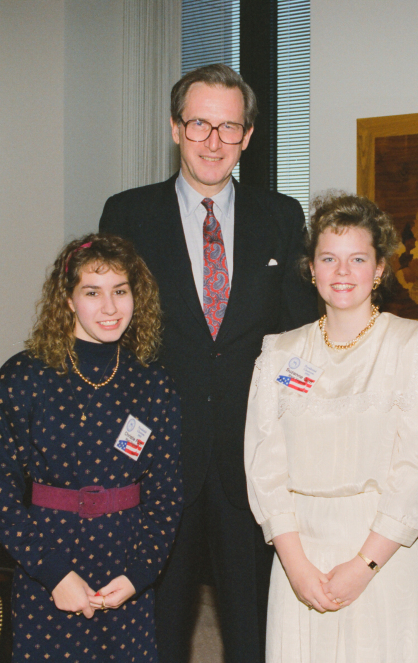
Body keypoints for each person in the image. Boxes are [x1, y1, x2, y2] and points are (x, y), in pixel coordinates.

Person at [98, 64, 318, 663]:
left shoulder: (281, 216)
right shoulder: (127, 215)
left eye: (229, 127)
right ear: (175, 127)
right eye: (200, 124)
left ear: (248, 136)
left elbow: (299, 336)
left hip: (253, 462)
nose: (214, 142)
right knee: (158, 628)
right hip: (156, 461)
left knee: (252, 629)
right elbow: (104, 336)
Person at [245, 192, 418, 662]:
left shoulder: (414, 344)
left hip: (384, 555)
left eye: (357, 259)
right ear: (310, 268)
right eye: (329, 258)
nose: (342, 272)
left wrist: (364, 565)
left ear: (379, 269)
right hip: (299, 553)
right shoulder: (279, 353)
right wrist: (295, 565)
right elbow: (264, 463)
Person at [0, 233, 182, 663]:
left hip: (126, 564)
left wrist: (140, 573)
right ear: (68, 300)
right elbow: (0, 499)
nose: (110, 308)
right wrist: (54, 575)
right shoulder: (22, 378)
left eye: (120, 291)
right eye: (92, 292)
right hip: (49, 559)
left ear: (136, 297)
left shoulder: (153, 383)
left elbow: (166, 496)